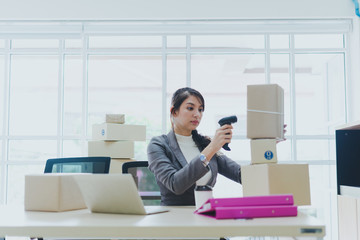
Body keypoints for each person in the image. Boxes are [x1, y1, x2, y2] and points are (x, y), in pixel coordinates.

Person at [147, 87, 242, 206]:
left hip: (205, 214)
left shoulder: (205, 144)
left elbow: (239, 174)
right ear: (174, 111)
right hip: (173, 217)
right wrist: (212, 148)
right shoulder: (158, 145)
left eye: (201, 109)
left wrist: (264, 148)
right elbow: (175, 184)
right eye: (190, 108)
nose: (197, 114)